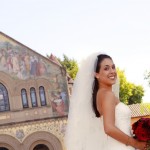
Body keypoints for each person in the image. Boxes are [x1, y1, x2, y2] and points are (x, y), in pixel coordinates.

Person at [65, 52, 149, 150]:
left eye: (113, 67)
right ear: (96, 74)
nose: (112, 71)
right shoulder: (107, 95)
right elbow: (109, 128)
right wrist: (136, 144)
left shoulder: (100, 94)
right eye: (106, 68)